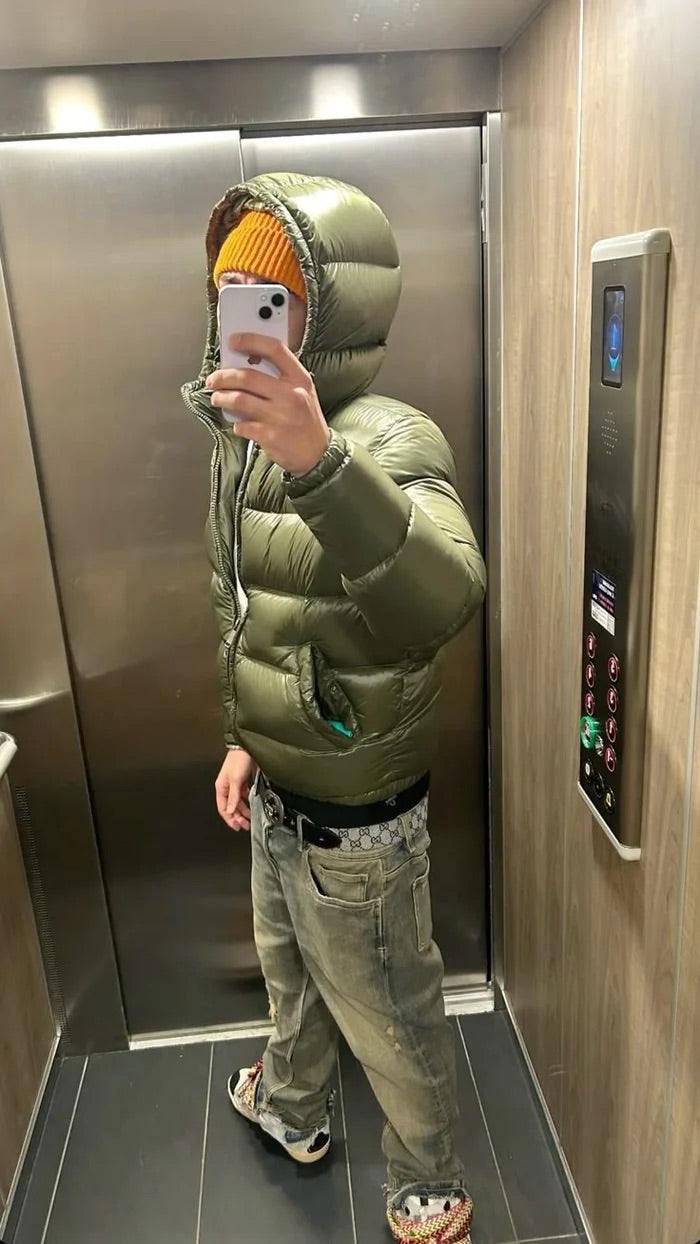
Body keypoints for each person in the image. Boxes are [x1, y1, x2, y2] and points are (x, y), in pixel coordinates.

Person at [182, 172, 486, 1244]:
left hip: (360, 824)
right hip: (278, 790)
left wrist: (322, 464)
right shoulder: (236, 442)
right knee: (293, 979)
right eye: (231, 294)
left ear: (333, 312)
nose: (247, 320)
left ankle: (431, 1182)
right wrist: (242, 739)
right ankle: (294, 1106)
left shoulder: (392, 439)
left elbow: (445, 600)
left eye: (276, 299)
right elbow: (253, 613)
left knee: (391, 1014)